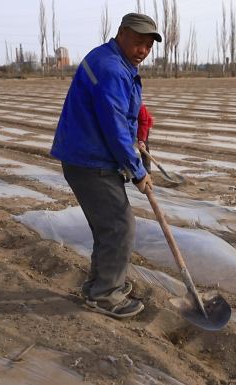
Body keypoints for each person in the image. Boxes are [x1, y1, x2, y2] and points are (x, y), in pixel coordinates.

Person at [50, 13, 162, 318]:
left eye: (149, 46)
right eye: (138, 42)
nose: (143, 51)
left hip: (85, 155)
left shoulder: (112, 60)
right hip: (90, 160)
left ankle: (99, 285)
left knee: (108, 226)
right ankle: (105, 295)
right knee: (120, 226)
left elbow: (119, 115)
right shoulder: (112, 68)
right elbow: (112, 126)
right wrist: (138, 172)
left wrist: (136, 134)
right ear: (122, 34)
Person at [137, 104, 154, 173]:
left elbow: (143, 123)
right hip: (131, 125)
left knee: (144, 147)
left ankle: (147, 168)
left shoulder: (139, 106)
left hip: (144, 124)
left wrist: (141, 140)